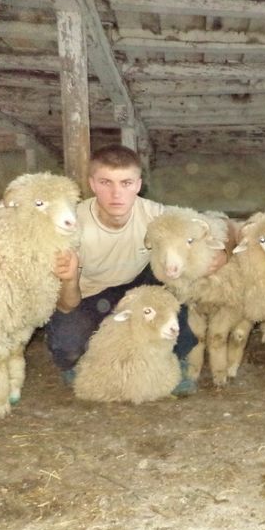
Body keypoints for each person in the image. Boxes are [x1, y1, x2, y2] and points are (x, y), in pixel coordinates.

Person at [47, 144, 222, 393]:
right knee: (68, 348)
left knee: (172, 277)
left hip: (139, 285)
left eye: (126, 183)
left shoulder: (156, 215)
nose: (116, 193)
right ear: (92, 184)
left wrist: (222, 255)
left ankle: (175, 358)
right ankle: (81, 363)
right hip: (89, 294)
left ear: (138, 185)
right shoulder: (71, 226)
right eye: (106, 182)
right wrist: (70, 278)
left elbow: (207, 228)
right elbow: (66, 305)